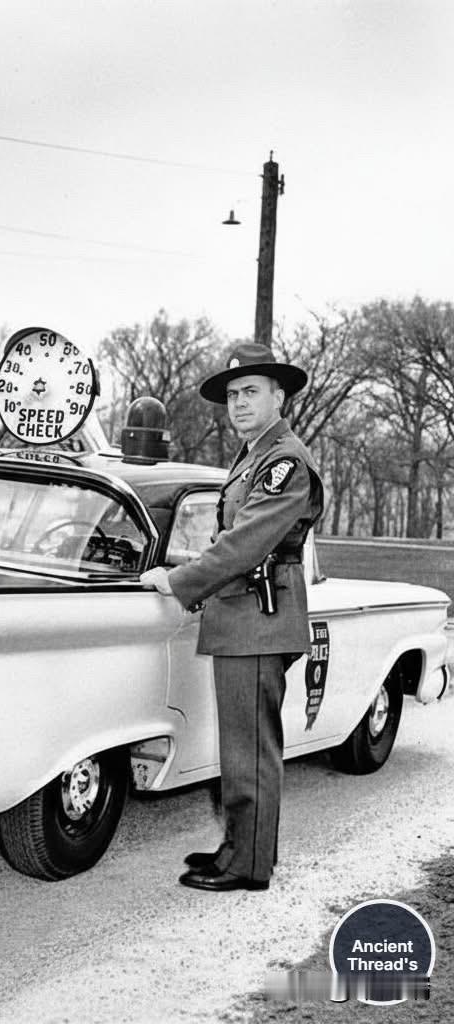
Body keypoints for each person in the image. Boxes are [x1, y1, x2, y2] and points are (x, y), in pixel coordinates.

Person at [139, 343, 323, 893]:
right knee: (240, 746)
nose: (239, 403)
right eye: (234, 395)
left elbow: (243, 544)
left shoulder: (285, 461)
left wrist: (178, 582)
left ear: (279, 396)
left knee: (252, 749)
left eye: (251, 392)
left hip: (259, 615)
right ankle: (239, 847)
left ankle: (248, 865)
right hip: (243, 612)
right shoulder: (254, 456)